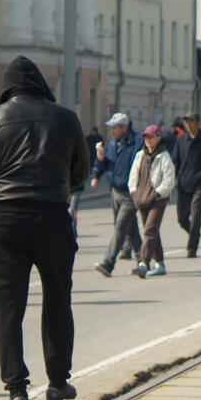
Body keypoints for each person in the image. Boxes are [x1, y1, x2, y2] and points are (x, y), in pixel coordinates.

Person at [0, 56, 89, 400]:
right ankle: (58, 381)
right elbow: (82, 171)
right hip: (53, 218)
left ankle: (17, 391)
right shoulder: (66, 117)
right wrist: (57, 187)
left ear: (7, 88)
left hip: (6, 221)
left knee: (8, 309)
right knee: (58, 299)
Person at [89, 112, 143, 278]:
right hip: (115, 191)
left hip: (131, 193)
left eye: (115, 128)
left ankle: (108, 263)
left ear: (124, 128)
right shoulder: (113, 144)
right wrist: (97, 171)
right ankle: (143, 260)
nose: (112, 131)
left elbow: (143, 165)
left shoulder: (137, 142)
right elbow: (106, 164)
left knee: (120, 227)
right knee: (130, 228)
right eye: (110, 128)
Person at [128, 125, 176, 278]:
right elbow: (132, 177)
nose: (148, 140)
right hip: (142, 199)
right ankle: (160, 264)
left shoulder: (164, 156)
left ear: (158, 137)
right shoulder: (140, 155)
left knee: (150, 229)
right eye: (146, 137)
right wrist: (134, 193)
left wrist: (157, 194)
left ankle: (143, 263)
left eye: (151, 137)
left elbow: (169, 180)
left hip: (158, 199)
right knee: (152, 231)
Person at [172, 113, 201, 258]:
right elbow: (175, 163)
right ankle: (195, 234)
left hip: (199, 183)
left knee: (196, 216)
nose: (188, 125)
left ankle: (192, 247)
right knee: (182, 218)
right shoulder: (181, 140)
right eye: (186, 122)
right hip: (183, 184)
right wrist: (170, 183)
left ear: (198, 123)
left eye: (191, 121)